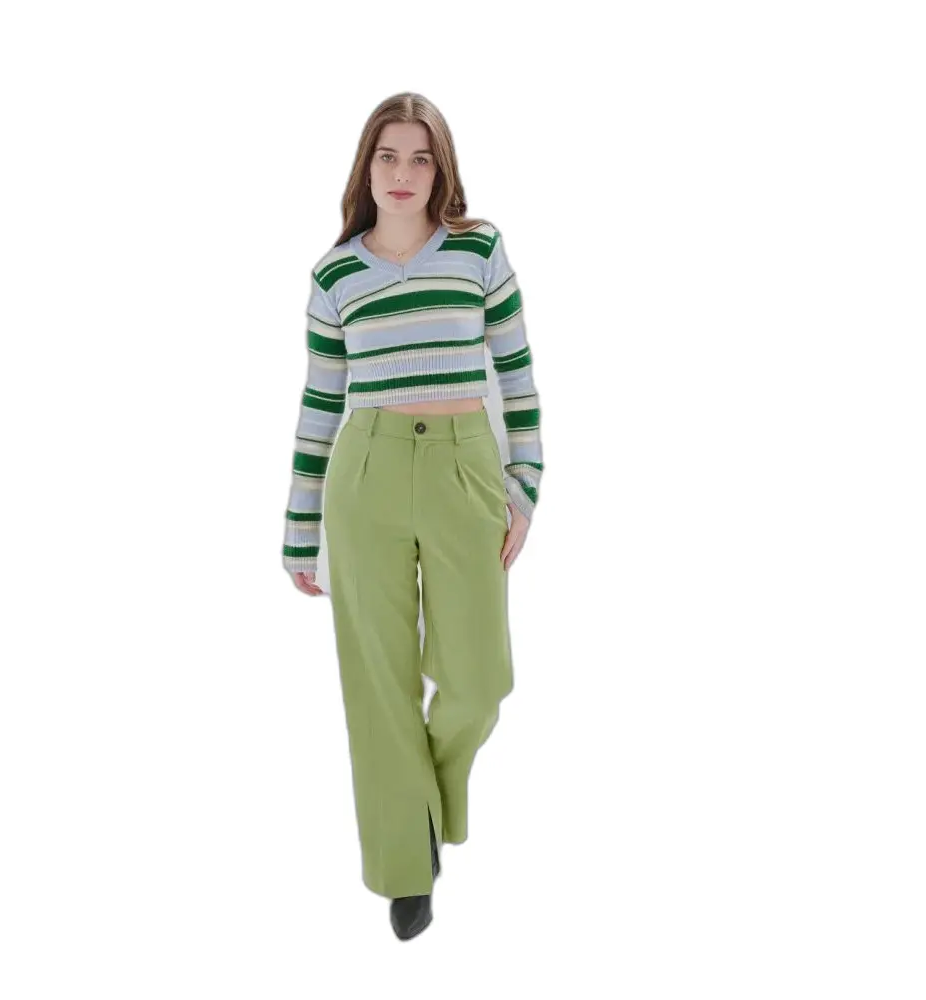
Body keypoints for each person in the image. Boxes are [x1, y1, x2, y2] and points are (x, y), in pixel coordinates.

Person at [281, 92, 543, 941]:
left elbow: (517, 375)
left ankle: (426, 800)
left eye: (420, 157)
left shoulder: (479, 250)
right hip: (367, 471)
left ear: (442, 168)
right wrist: (299, 528)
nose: (402, 173)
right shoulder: (335, 275)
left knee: (479, 679)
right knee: (378, 683)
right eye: (386, 156)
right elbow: (321, 402)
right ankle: (405, 864)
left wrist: (525, 485)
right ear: (366, 168)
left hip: (467, 468)